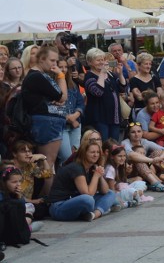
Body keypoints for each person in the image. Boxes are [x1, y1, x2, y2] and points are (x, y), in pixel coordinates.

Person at [20, 45, 67, 191]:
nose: (55, 64)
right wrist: (61, 76)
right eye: (52, 61)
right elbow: (62, 97)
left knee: (47, 163)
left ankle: (44, 200)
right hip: (47, 122)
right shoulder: (36, 76)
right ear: (41, 59)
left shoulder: (40, 76)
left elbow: (59, 98)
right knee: (47, 164)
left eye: (56, 61)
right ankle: (45, 201)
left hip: (49, 121)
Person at [47, 137, 117, 221]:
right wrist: (96, 176)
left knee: (110, 193)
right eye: (92, 152)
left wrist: (100, 175)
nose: (96, 155)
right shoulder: (76, 167)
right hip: (59, 207)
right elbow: (88, 194)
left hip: (76, 202)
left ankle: (94, 214)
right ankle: (100, 210)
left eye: (98, 152)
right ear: (84, 153)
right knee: (87, 199)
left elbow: (105, 191)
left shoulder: (91, 167)